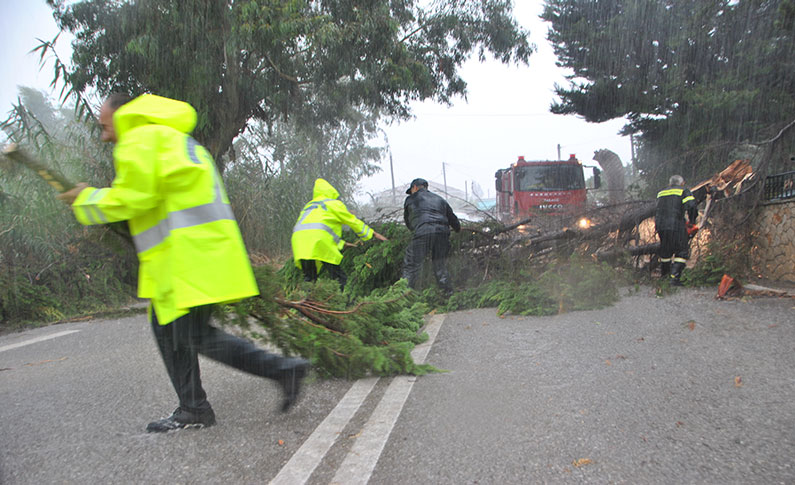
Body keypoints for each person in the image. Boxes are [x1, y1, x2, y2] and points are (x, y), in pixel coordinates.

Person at [57, 93, 310, 432]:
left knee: (191, 335)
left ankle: (281, 370)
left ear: (123, 115)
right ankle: (193, 408)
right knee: (168, 330)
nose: (105, 136)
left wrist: (85, 199)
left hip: (185, 258)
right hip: (197, 253)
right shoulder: (176, 139)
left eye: (105, 126)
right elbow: (154, 200)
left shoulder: (139, 139)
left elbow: (134, 198)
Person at [291, 178, 387, 288]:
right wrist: (373, 234)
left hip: (299, 242)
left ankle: (306, 303)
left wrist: (342, 243)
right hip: (320, 241)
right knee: (338, 277)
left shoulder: (309, 206)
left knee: (309, 278)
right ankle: (346, 302)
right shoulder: (333, 203)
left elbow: (320, 230)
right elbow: (353, 221)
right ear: (330, 191)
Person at [402, 178, 460, 294]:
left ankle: (404, 296)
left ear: (414, 187)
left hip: (423, 232)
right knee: (440, 265)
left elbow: (408, 221)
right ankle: (448, 294)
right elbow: (454, 221)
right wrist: (457, 229)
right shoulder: (440, 199)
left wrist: (416, 230)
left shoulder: (410, 199)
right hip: (442, 233)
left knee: (411, 265)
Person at [655, 174, 698, 286]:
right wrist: (692, 221)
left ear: (670, 183)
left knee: (666, 251)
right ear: (682, 183)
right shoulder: (684, 191)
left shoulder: (661, 193)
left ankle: (664, 277)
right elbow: (692, 206)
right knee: (682, 251)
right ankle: (674, 278)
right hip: (676, 225)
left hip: (660, 226)